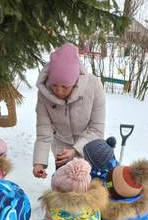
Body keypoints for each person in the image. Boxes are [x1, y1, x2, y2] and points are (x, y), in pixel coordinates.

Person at [33, 43, 105, 178]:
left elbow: (97, 129)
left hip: (89, 146)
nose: (58, 91)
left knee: (87, 187)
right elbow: (44, 133)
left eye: (65, 87)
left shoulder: (94, 86)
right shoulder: (44, 93)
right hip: (61, 146)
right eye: (54, 85)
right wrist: (39, 163)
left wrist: (76, 150)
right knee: (64, 188)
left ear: (76, 81)